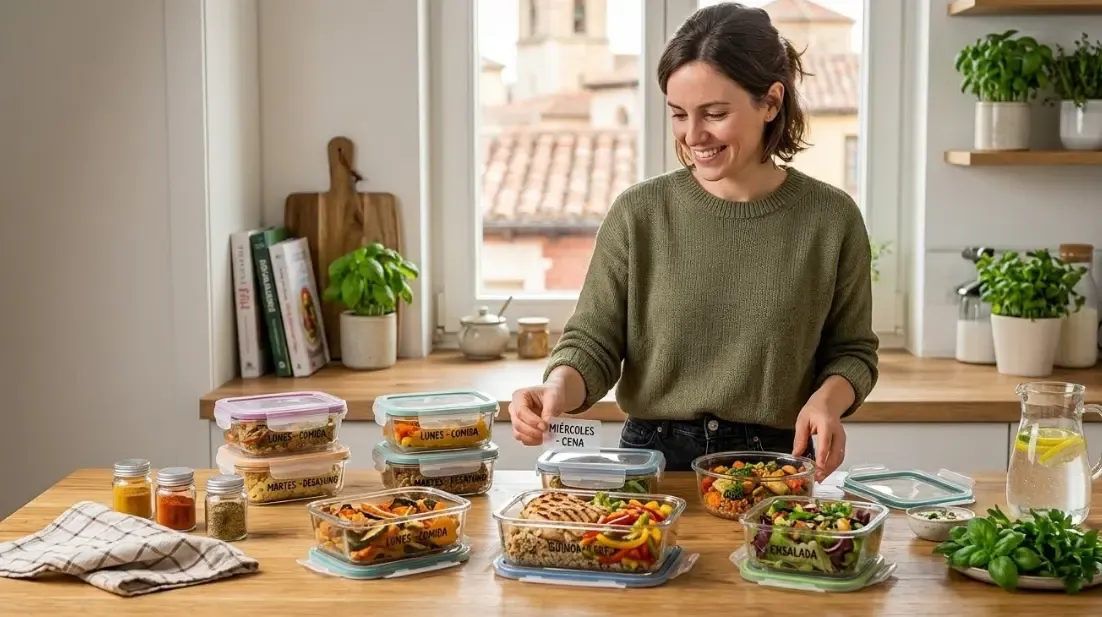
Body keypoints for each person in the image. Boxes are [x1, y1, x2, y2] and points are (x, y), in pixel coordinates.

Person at [507, 2, 879, 482]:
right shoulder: (639, 213)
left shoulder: (831, 219)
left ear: (770, 102)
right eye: (679, 114)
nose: (693, 135)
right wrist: (556, 388)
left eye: (715, 113)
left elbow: (852, 351)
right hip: (652, 457)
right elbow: (593, 343)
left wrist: (827, 401)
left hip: (774, 463)